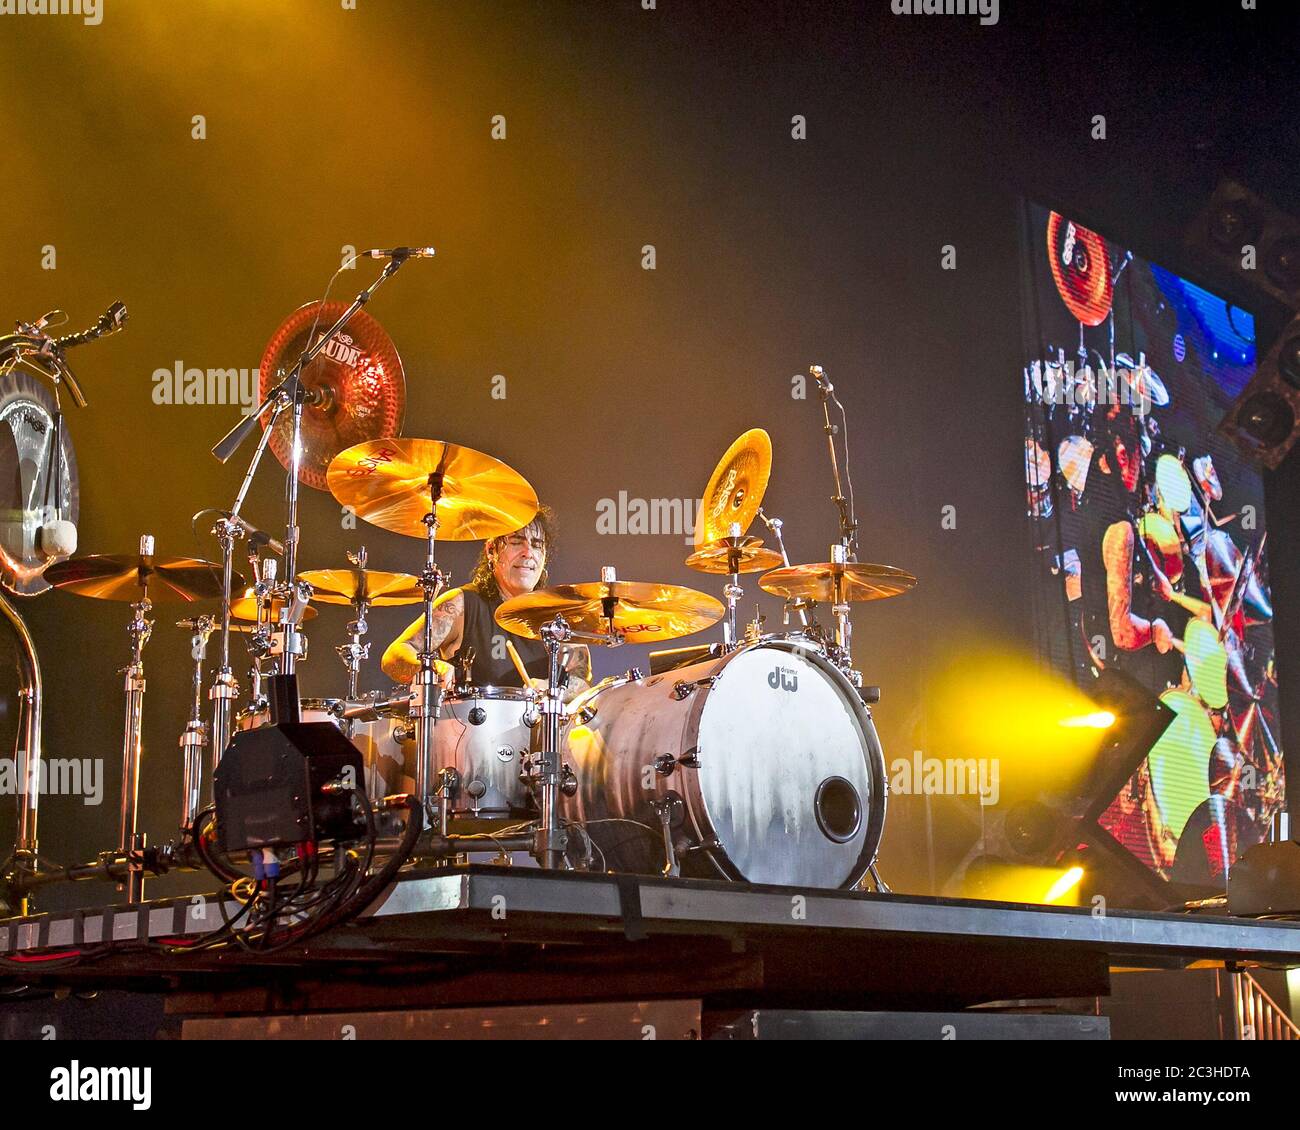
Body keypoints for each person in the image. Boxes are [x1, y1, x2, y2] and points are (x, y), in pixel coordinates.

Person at [381, 507, 591, 695]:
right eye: (516, 542)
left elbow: (582, 684)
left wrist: (551, 687)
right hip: (468, 733)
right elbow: (393, 656)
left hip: (541, 736)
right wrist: (432, 669)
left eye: (537, 545)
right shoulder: (462, 604)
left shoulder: (559, 616)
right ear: (491, 551)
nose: (528, 553)